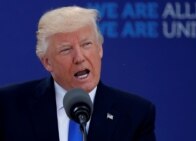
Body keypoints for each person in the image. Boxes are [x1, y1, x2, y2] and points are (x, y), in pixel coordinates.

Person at [0, 6, 156, 141]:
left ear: (100, 49)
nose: (79, 58)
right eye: (66, 49)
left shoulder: (135, 114)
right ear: (47, 62)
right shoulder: (8, 106)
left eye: (86, 44)